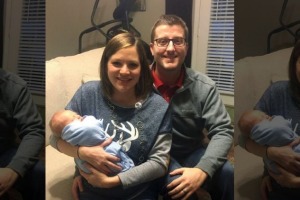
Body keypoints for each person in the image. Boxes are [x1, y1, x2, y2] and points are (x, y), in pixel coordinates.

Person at [49, 32, 172, 200]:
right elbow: (54, 139)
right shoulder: (88, 94)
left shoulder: (159, 107)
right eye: (116, 63)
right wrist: (81, 154)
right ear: (105, 64)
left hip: (137, 193)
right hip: (91, 191)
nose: (124, 71)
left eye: (132, 65)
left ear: (142, 68)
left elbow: (160, 163)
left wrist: (113, 181)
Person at [149, 14, 234, 200]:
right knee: (178, 185)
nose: (170, 48)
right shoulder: (137, 84)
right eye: (163, 41)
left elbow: (223, 131)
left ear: (186, 48)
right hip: (153, 155)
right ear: (152, 48)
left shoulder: (204, 86)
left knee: (228, 173)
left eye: (177, 41)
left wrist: (203, 169)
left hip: (191, 152)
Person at [238, 41, 300, 199]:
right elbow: (243, 137)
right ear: (295, 63)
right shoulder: (277, 93)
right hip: (278, 184)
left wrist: (296, 182)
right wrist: (270, 153)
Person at [0, 68, 45, 200]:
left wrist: (14, 170)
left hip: (3, 151)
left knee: (39, 173)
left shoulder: (14, 86)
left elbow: (34, 131)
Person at [49, 110, 135, 174]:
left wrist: (109, 182)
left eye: (75, 114)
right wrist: (81, 152)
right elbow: (53, 139)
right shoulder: (82, 129)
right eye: (73, 119)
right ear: (67, 131)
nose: (79, 116)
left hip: (123, 176)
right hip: (117, 166)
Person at [238, 110, 300, 174]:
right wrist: (269, 152)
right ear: (257, 127)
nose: (268, 116)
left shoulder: (256, 136)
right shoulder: (270, 130)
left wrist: (295, 181)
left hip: (279, 170)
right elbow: (241, 139)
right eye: (263, 117)